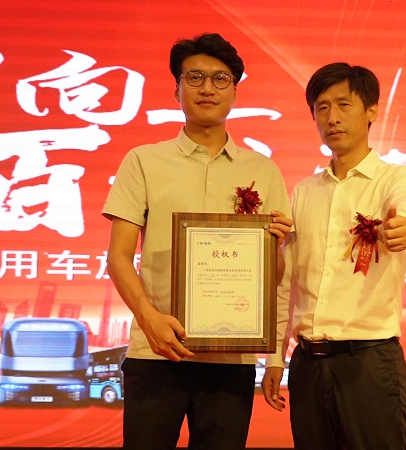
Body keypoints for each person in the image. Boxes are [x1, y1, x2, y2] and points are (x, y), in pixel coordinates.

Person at [103, 33, 292, 450]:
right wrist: (149, 319)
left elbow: (276, 276)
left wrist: (276, 250)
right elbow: (118, 257)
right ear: (177, 89)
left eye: (220, 78)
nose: (208, 88)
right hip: (156, 352)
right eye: (195, 77)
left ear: (235, 93)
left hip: (231, 357)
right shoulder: (143, 161)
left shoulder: (263, 170)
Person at [261, 62, 406, 450]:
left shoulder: (394, 178)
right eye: (322, 108)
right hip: (307, 365)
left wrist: (403, 227)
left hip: (368, 362)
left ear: (371, 110)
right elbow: (286, 284)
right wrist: (274, 357)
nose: (332, 117)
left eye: (343, 104)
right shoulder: (305, 191)